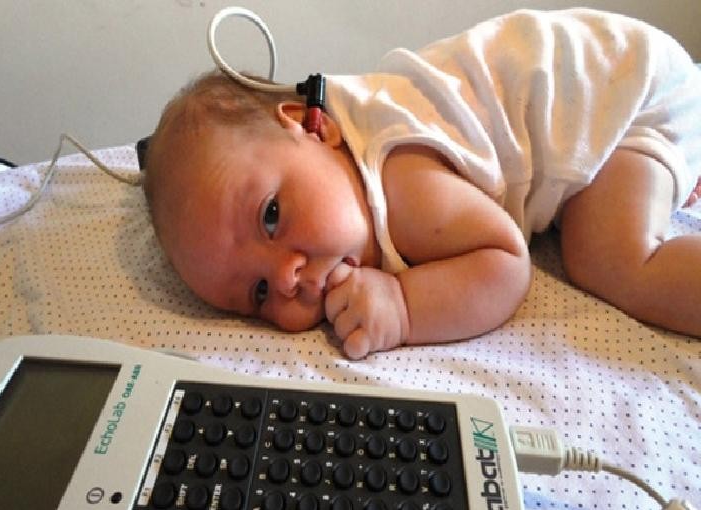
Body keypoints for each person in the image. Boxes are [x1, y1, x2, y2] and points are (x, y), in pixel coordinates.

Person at [142, 8, 701, 359]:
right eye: (259, 294)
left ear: (314, 126)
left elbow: (505, 261)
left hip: (622, 92)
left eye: (270, 215)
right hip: (592, 86)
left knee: (607, 258)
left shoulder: (400, 177)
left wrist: (402, 305)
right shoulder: (327, 170)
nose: (286, 278)